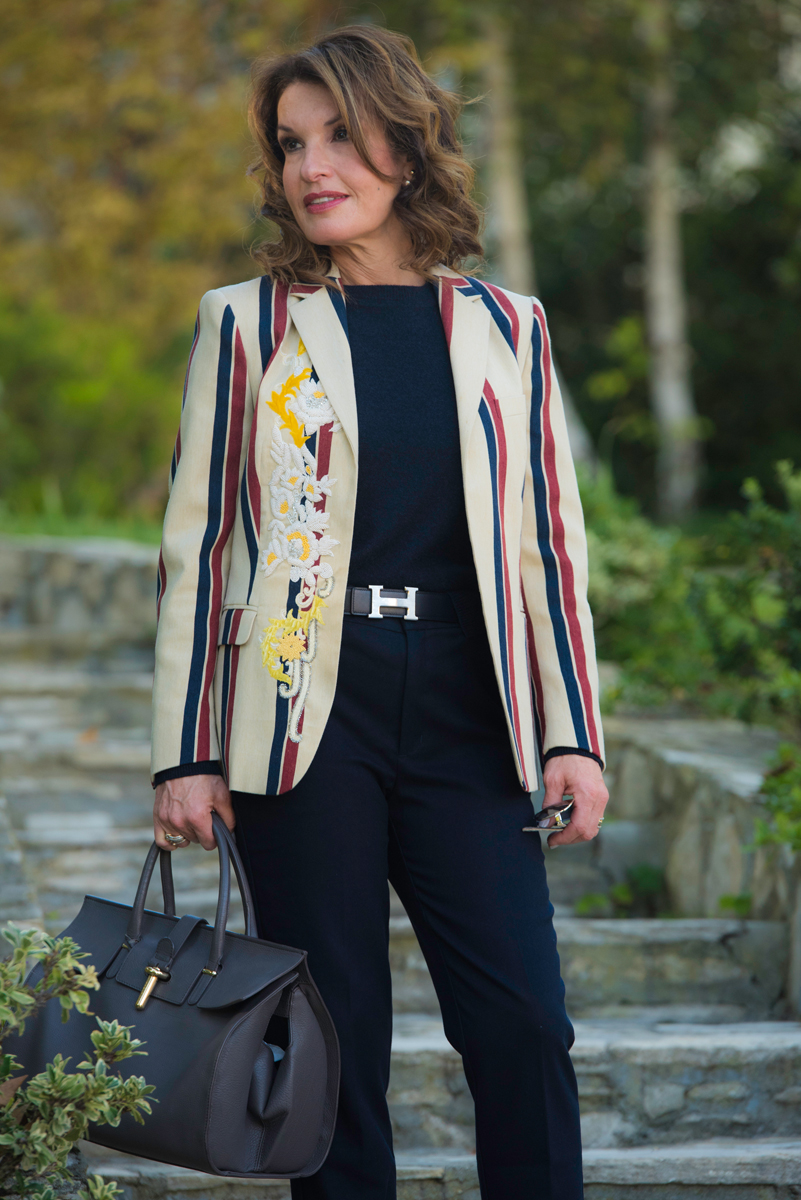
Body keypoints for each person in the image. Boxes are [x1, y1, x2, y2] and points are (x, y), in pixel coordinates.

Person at [149, 23, 608, 1200]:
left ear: (406, 146)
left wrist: (571, 735)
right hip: (309, 714)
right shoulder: (248, 323)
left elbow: (545, 549)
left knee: (522, 1026)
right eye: (293, 143)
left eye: (341, 134)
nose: (313, 165)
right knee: (335, 1042)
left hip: (469, 710)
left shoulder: (510, 326)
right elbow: (203, 545)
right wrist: (189, 752)